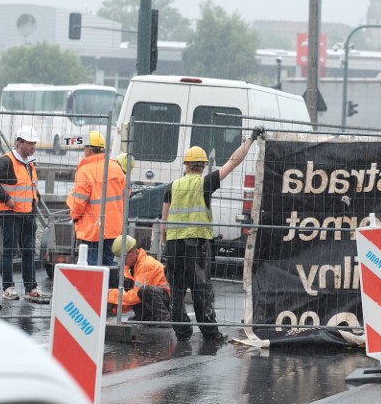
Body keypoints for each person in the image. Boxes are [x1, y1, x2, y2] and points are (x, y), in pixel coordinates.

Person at [161, 125, 266, 342]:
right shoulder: (205, 182)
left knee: (177, 290)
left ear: (186, 165)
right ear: (203, 166)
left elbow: (164, 222)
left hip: (174, 246)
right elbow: (233, 163)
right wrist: (249, 140)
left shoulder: (172, 186)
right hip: (197, 245)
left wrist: (166, 245)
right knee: (201, 290)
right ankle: (210, 333)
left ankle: (182, 331)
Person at [0, 126, 49, 302]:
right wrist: (7, 199)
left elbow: (29, 186)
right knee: (9, 251)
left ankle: (31, 288)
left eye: (34, 143)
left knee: (29, 251)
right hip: (9, 213)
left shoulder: (30, 163)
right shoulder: (7, 161)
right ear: (19, 142)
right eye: (30, 143)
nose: (33, 147)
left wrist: (36, 199)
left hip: (28, 214)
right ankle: (8, 288)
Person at [67, 130, 126, 277]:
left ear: (89, 148)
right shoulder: (116, 167)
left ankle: (92, 297)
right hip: (113, 227)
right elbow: (126, 195)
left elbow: (79, 202)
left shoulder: (85, 170)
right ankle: (112, 296)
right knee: (111, 264)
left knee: (91, 266)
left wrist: (75, 216)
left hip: (92, 228)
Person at [107, 235, 171, 323]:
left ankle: (165, 319)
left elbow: (136, 295)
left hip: (167, 300)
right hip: (156, 298)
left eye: (123, 258)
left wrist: (110, 295)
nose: (122, 262)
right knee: (128, 284)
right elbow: (131, 295)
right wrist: (114, 308)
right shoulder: (131, 266)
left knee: (144, 290)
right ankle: (143, 317)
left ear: (133, 252)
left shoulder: (146, 265)